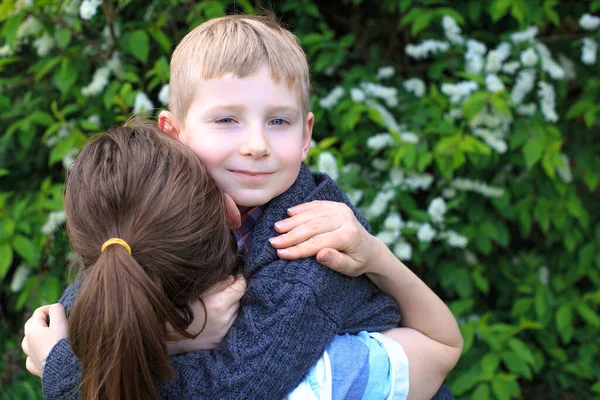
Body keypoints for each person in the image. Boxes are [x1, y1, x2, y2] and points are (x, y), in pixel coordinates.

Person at [23, 14, 462, 399]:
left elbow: (237, 387)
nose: (256, 146)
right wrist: (171, 337)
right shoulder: (159, 203)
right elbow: (98, 299)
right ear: (173, 131)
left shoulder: (309, 240)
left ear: (306, 135)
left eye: (278, 121)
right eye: (227, 120)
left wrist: (69, 371)